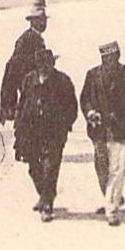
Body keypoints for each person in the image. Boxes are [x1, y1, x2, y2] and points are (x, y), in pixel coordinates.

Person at [80, 41, 125, 227]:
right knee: (102, 169)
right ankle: (111, 197)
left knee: (117, 170)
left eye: (112, 58)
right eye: (105, 59)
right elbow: (85, 99)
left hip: (121, 129)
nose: (109, 62)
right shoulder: (93, 75)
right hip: (99, 130)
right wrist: (90, 112)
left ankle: (112, 209)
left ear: (118, 57)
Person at [14, 48, 79, 221]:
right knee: (33, 167)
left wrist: (64, 125)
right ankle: (44, 194)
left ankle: (47, 204)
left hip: (54, 132)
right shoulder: (29, 80)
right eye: (41, 65)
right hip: (31, 131)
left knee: (51, 167)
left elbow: (72, 107)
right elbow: (22, 104)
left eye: (47, 65)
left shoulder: (63, 81)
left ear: (53, 64)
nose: (44, 68)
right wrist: (19, 125)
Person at [0, 8, 50, 122]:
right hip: (26, 81)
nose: (44, 23)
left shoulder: (35, 37)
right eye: (41, 20)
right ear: (33, 22)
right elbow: (18, 63)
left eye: (44, 20)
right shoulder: (28, 38)